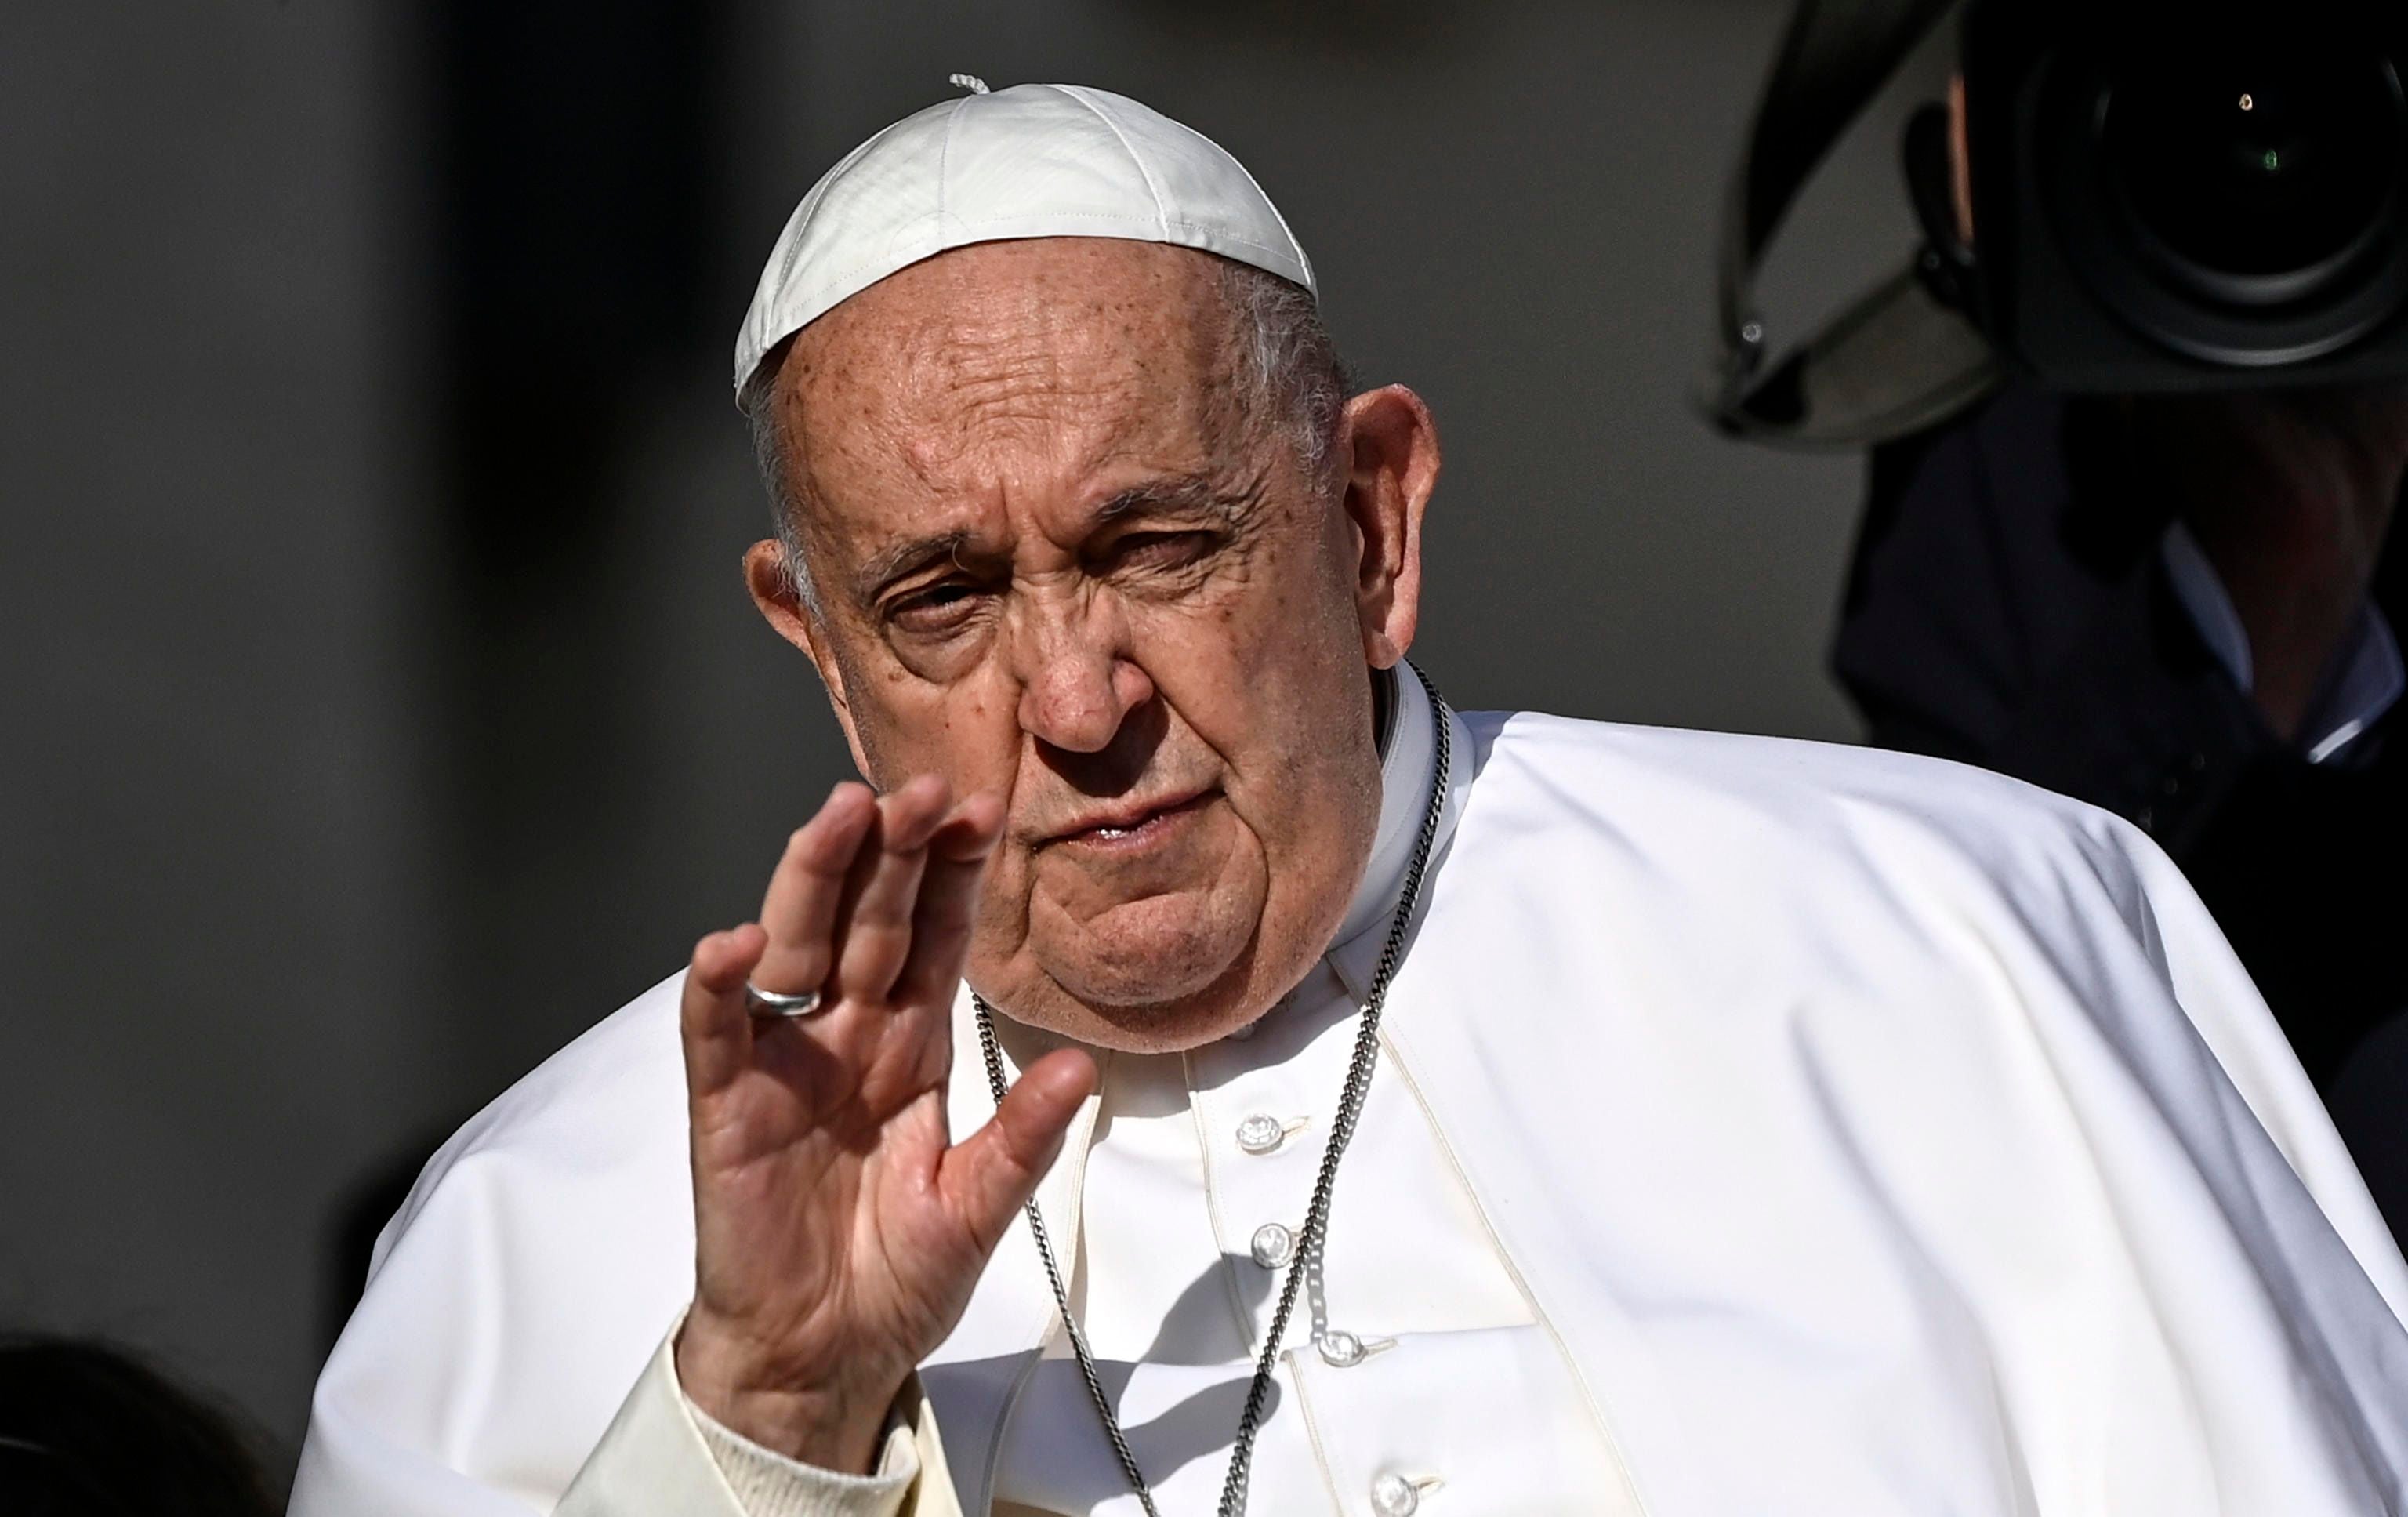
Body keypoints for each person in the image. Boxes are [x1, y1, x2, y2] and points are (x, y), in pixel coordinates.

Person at [292, 82, 2408, 1517]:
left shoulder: (1953, 948)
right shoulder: (541, 1234)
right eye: (943, 600)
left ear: (1373, 520)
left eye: (1159, 546)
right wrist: (761, 1421)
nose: (1079, 696)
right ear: (822, 654)